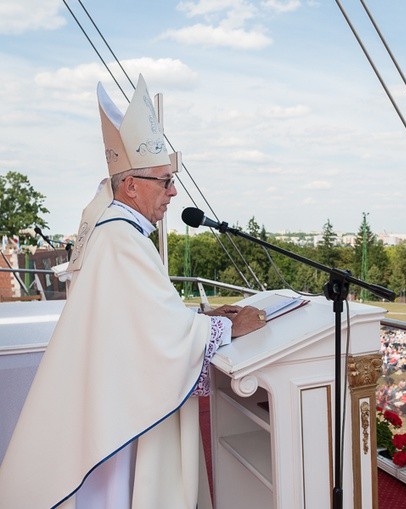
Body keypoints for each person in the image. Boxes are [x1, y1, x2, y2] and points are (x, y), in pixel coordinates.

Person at [0, 75, 266, 509]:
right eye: (165, 180)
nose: (173, 191)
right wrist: (228, 329)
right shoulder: (122, 239)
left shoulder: (117, 233)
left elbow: (140, 319)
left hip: (115, 393)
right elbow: (156, 333)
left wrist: (204, 320)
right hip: (120, 411)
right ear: (131, 185)